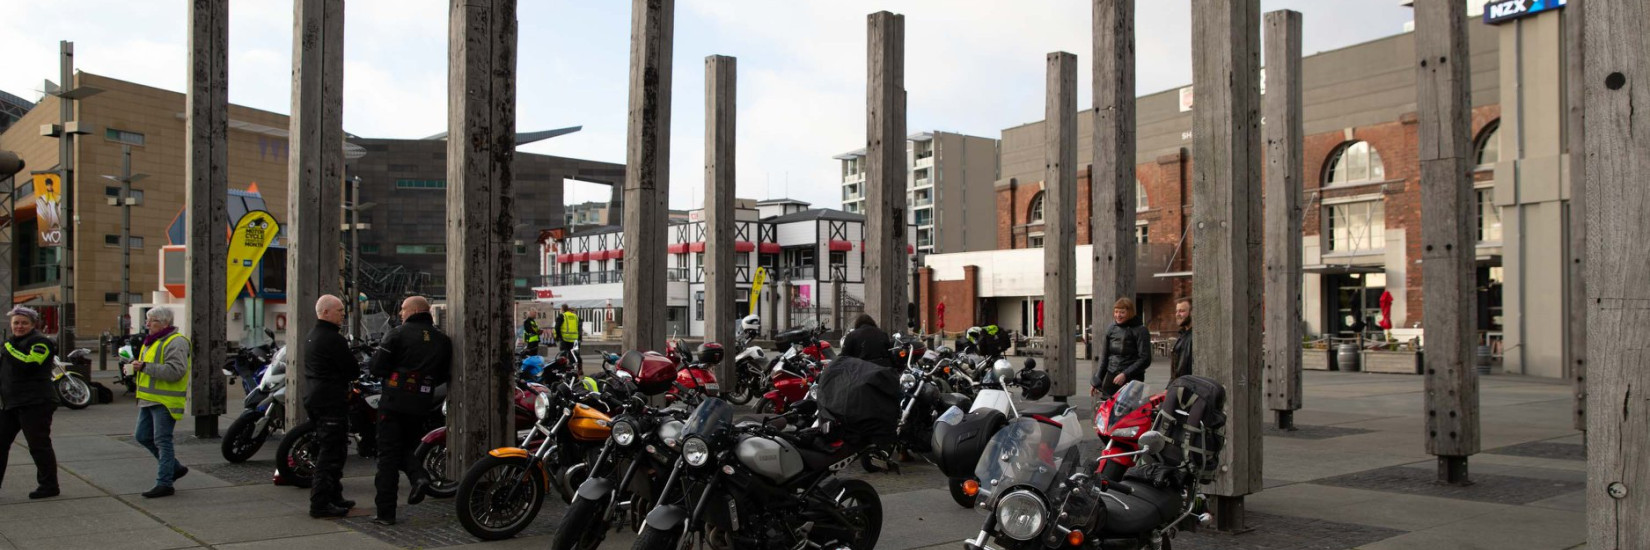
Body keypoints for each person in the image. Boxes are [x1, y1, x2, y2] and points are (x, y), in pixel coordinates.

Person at [367, 296, 452, 525]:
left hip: (393, 401)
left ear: (414, 310)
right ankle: (419, 477)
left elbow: (376, 367)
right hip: (421, 403)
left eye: (403, 309)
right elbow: (443, 374)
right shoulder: (442, 340)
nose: (401, 313)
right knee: (406, 447)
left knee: (387, 455)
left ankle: (386, 513)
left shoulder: (397, 334)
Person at [304, 295, 357, 518]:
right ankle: (321, 503)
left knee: (334, 450)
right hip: (331, 401)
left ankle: (335, 495)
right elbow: (352, 369)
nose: (342, 314)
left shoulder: (312, 336)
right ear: (325, 312)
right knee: (331, 454)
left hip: (316, 399)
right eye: (339, 310)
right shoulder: (332, 339)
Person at [132, 307, 192, 498]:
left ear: (165, 323)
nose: (147, 324)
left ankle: (165, 483)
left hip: (165, 400)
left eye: (152, 320)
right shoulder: (152, 341)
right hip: (149, 399)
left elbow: (176, 371)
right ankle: (174, 468)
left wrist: (145, 367)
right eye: (147, 320)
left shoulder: (177, 342)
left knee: (162, 441)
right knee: (142, 436)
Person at [0, 306, 59, 499]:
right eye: (16, 322)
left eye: (24, 323)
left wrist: (8, 348)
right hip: (11, 404)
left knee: (38, 445)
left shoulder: (40, 342)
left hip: (36, 403)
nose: (19, 326)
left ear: (33, 324)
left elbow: (30, 364)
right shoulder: (10, 344)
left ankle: (49, 485)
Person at [1090, 297, 1152, 399]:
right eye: (1116, 312)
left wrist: (1125, 374)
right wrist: (1097, 380)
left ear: (1130, 312)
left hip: (1133, 378)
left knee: (1129, 411)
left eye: (1122, 312)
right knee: (1106, 409)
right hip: (1112, 375)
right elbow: (1105, 358)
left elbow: (1145, 359)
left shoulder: (1141, 330)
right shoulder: (1111, 329)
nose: (1118, 315)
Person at [1171, 298, 1193, 380]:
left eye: (1182, 311)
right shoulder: (1182, 334)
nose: (1177, 314)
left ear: (1192, 312)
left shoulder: (1195, 336)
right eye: (1177, 311)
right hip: (1179, 383)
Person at [557, 305, 581, 371]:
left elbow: (557, 327)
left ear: (562, 309)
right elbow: (579, 328)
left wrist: (558, 336)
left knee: (563, 354)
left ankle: (563, 369)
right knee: (573, 355)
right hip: (574, 339)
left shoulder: (562, 316)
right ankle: (574, 369)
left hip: (565, 338)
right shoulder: (575, 317)